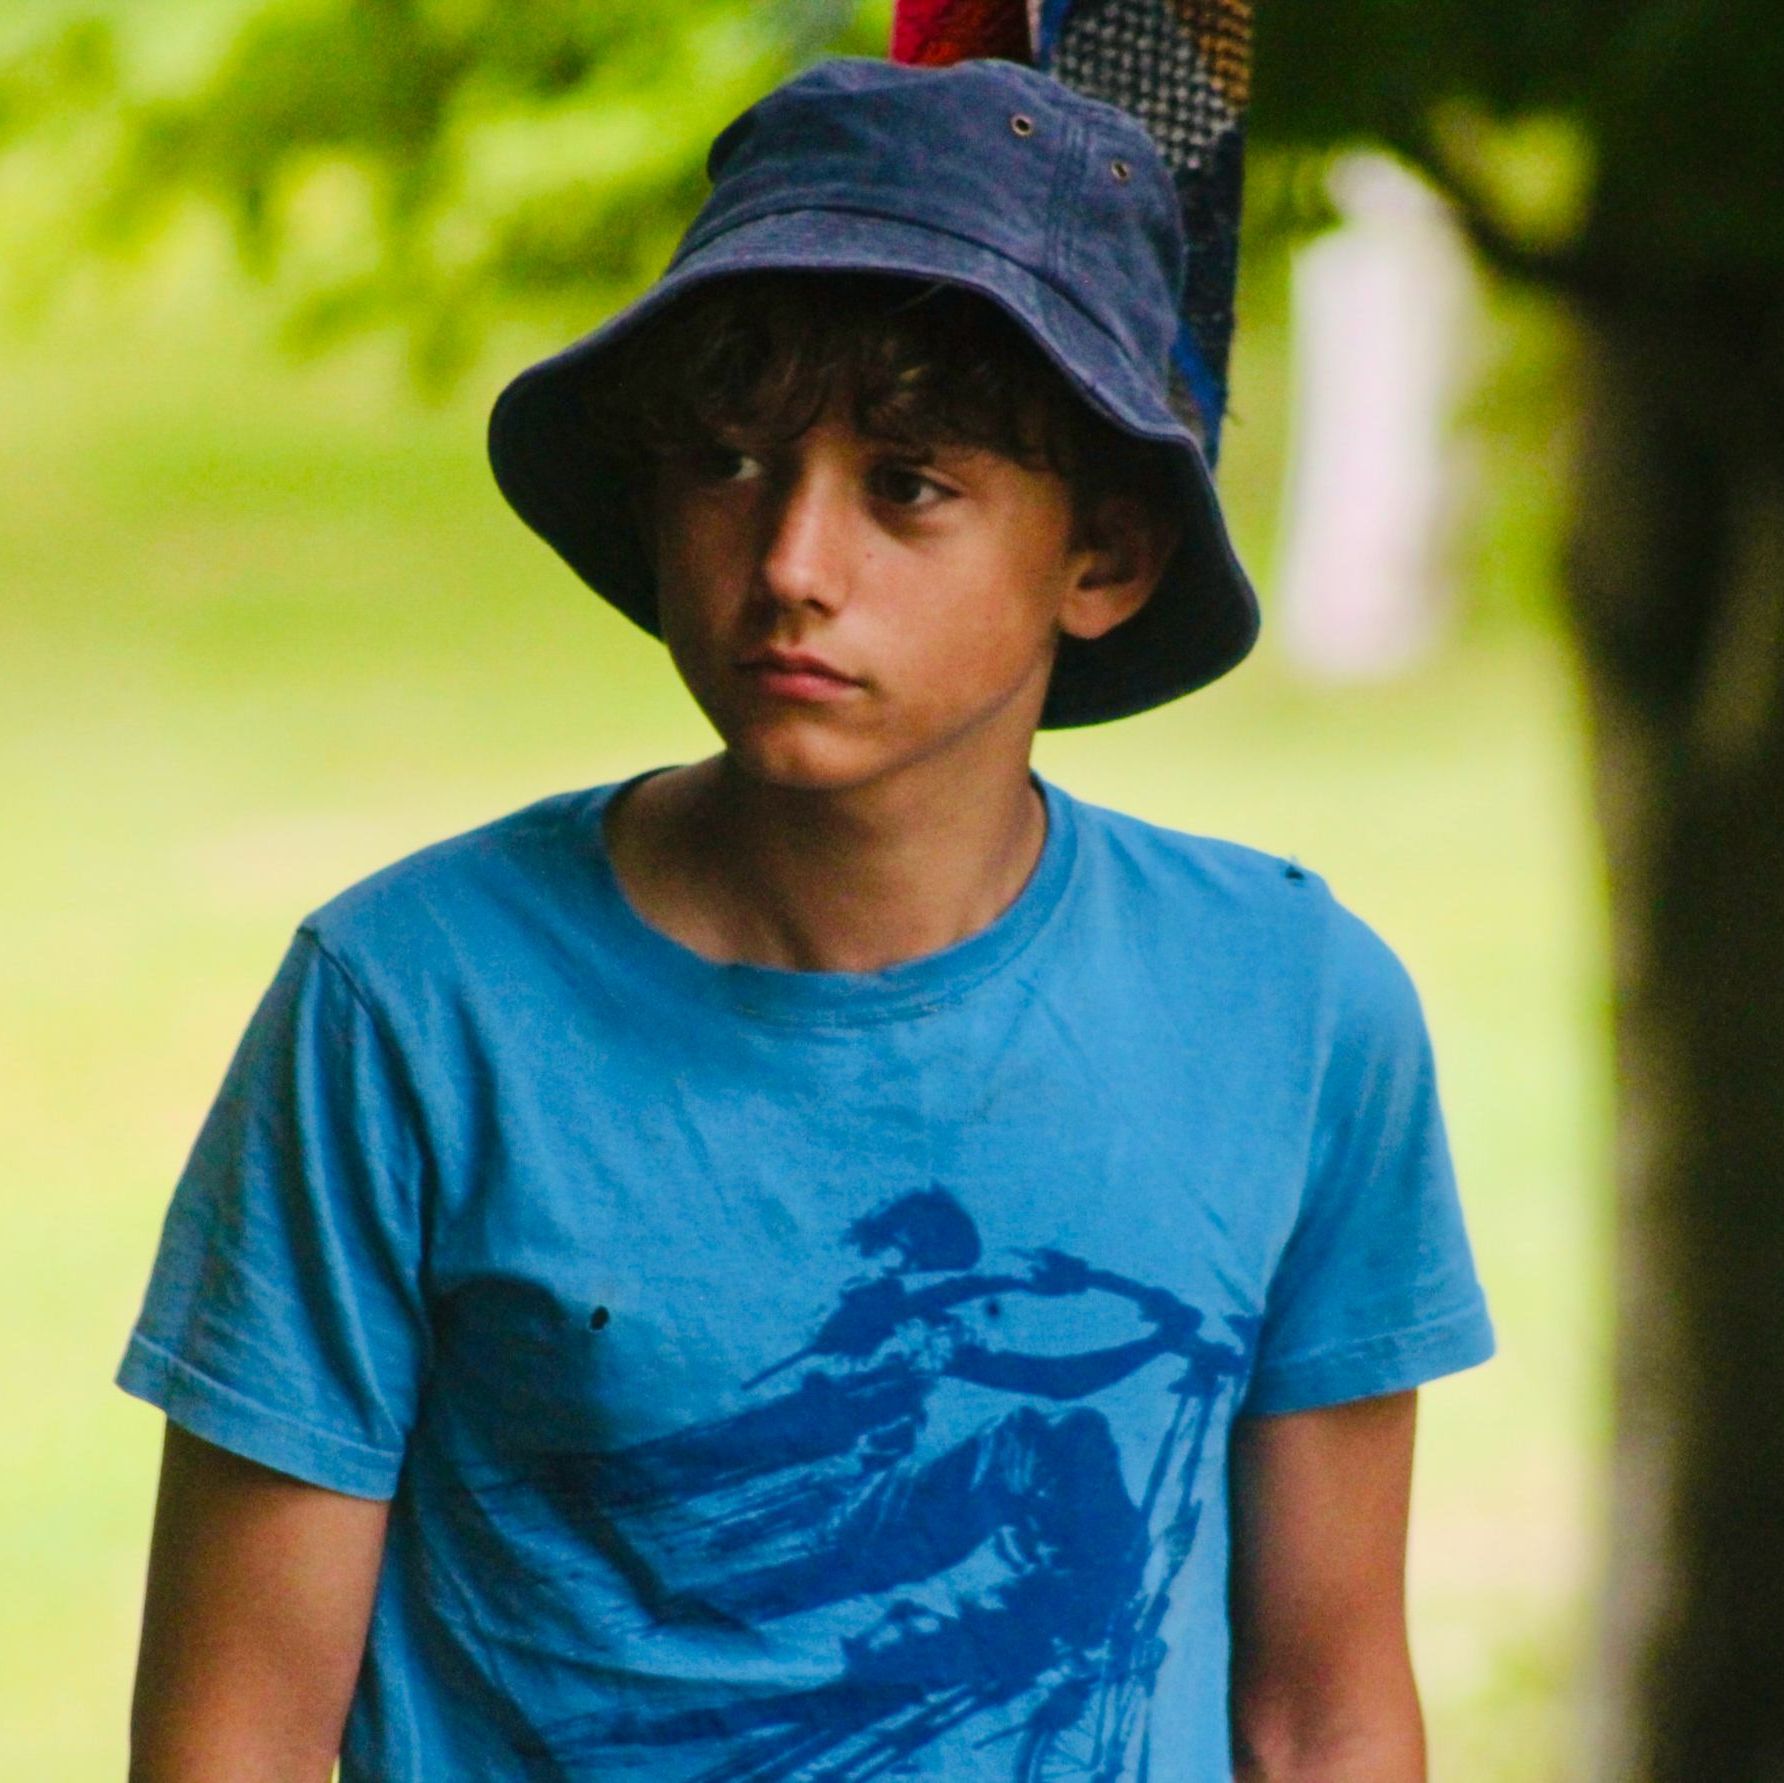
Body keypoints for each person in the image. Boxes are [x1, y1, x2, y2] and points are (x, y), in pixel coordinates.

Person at [118, 55, 1494, 1783]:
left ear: (1106, 559)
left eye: (909, 485)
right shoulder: (407, 1007)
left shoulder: (1295, 1010)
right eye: (728, 462)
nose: (789, 561)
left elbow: (1328, 1710)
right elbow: (230, 1731)